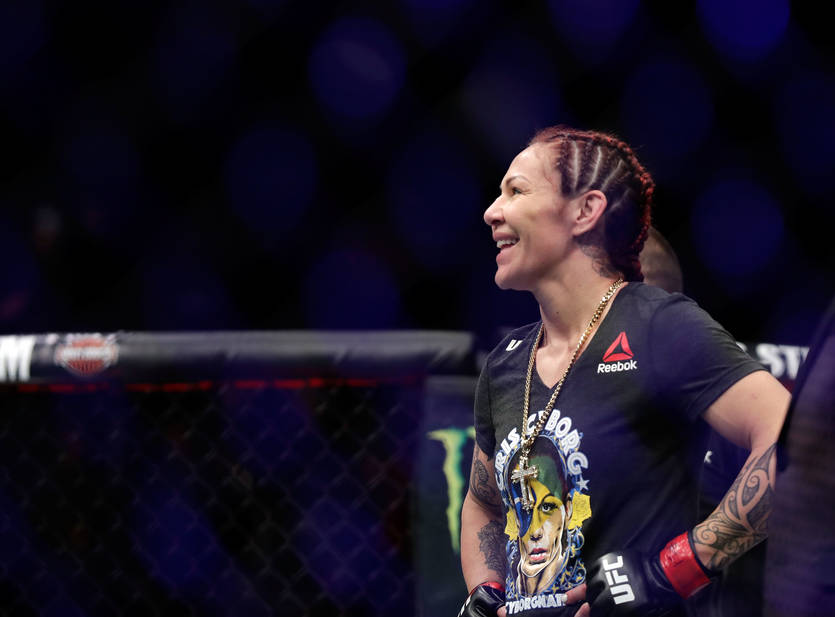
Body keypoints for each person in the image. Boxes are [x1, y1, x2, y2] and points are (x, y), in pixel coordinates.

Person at [457, 126, 790, 617]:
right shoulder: (508, 361)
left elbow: (793, 440)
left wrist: (673, 568)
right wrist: (484, 590)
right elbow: (483, 501)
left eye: (516, 191)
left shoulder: (657, 324)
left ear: (585, 211)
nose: (492, 211)